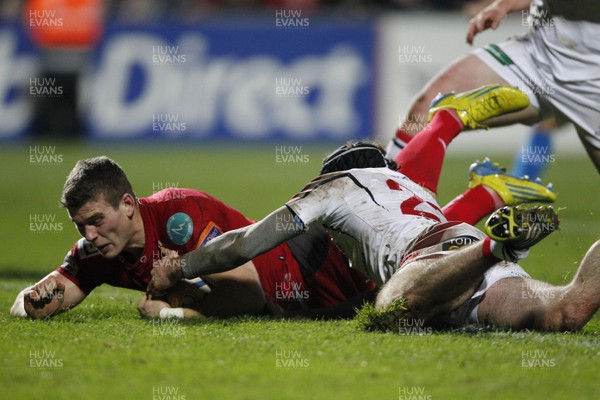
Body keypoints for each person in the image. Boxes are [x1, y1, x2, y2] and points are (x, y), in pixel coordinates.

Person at [149, 84, 600, 331]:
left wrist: (184, 265)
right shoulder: (412, 188)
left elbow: (247, 242)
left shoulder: (331, 189)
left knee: (388, 310)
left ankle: (498, 244)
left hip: (431, 261)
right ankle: (496, 241)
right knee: (567, 310)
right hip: (463, 257)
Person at [10, 157, 377, 320]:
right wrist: (30, 303)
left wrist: (172, 313)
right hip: (293, 299)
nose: (90, 235)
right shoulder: (96, 250)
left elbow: (248, 294)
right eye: (80, 226)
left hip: (309, 265)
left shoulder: (180, 216)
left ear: (127, 204)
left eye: (96, 221)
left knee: (404, 274)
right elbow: (42, 294)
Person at [386, 0, 600, 174]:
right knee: (430, 106)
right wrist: (502, 5)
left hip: (593, 83)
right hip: (535, 56)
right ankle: (385, 192)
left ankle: (513, 184)